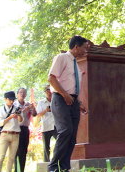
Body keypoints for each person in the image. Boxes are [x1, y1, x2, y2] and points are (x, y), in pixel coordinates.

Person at [47, 35, 90, 172]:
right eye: (84, 48)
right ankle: (53, 167)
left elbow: (72, 86)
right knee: (65, 130)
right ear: (76, 47)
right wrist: (65, 95)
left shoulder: (75, 64)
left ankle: (64, 167)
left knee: (72, 135)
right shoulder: (62, 58)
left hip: (73, 101)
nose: (86, 50)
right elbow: (51, 78)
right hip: (60, 98)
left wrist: (78, 102)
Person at [0, 91, 23, 172]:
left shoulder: (16, 108)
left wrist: (18, 115)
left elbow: (21, 120)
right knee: (1, 157)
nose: (12, 101)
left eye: (13, 100)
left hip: (16, 135)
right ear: (5, 99)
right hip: (5, 134)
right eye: (10, 99)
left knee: (11, 158)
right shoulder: (0, 109)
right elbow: (0, 123)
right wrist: (10, 117)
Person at [14, 88, 36, 172]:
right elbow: (15, 114)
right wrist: (24, 109)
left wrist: (33, 108)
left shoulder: (28, 104)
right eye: (20, 92)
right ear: (17, 94)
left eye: (24, 93)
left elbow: (34, 114)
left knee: (24, 151)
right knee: (17, 151)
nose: (22, 94)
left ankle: (21, 170)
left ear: (26, 95)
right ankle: (16, 170)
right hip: (16, 129)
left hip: (25, 129)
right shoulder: (14, 104)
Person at [36, 85, 57, 162]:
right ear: (45, 92)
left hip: (56, 125)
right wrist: (46, 110)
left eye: (50, 90)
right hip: (46, 126)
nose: (49, 92)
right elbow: (38, 114)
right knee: (46, 147)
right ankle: (46, 163)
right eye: (47, 90)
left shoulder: (56, 100)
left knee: (60, 143)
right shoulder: (41, 102)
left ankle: (56, 160)